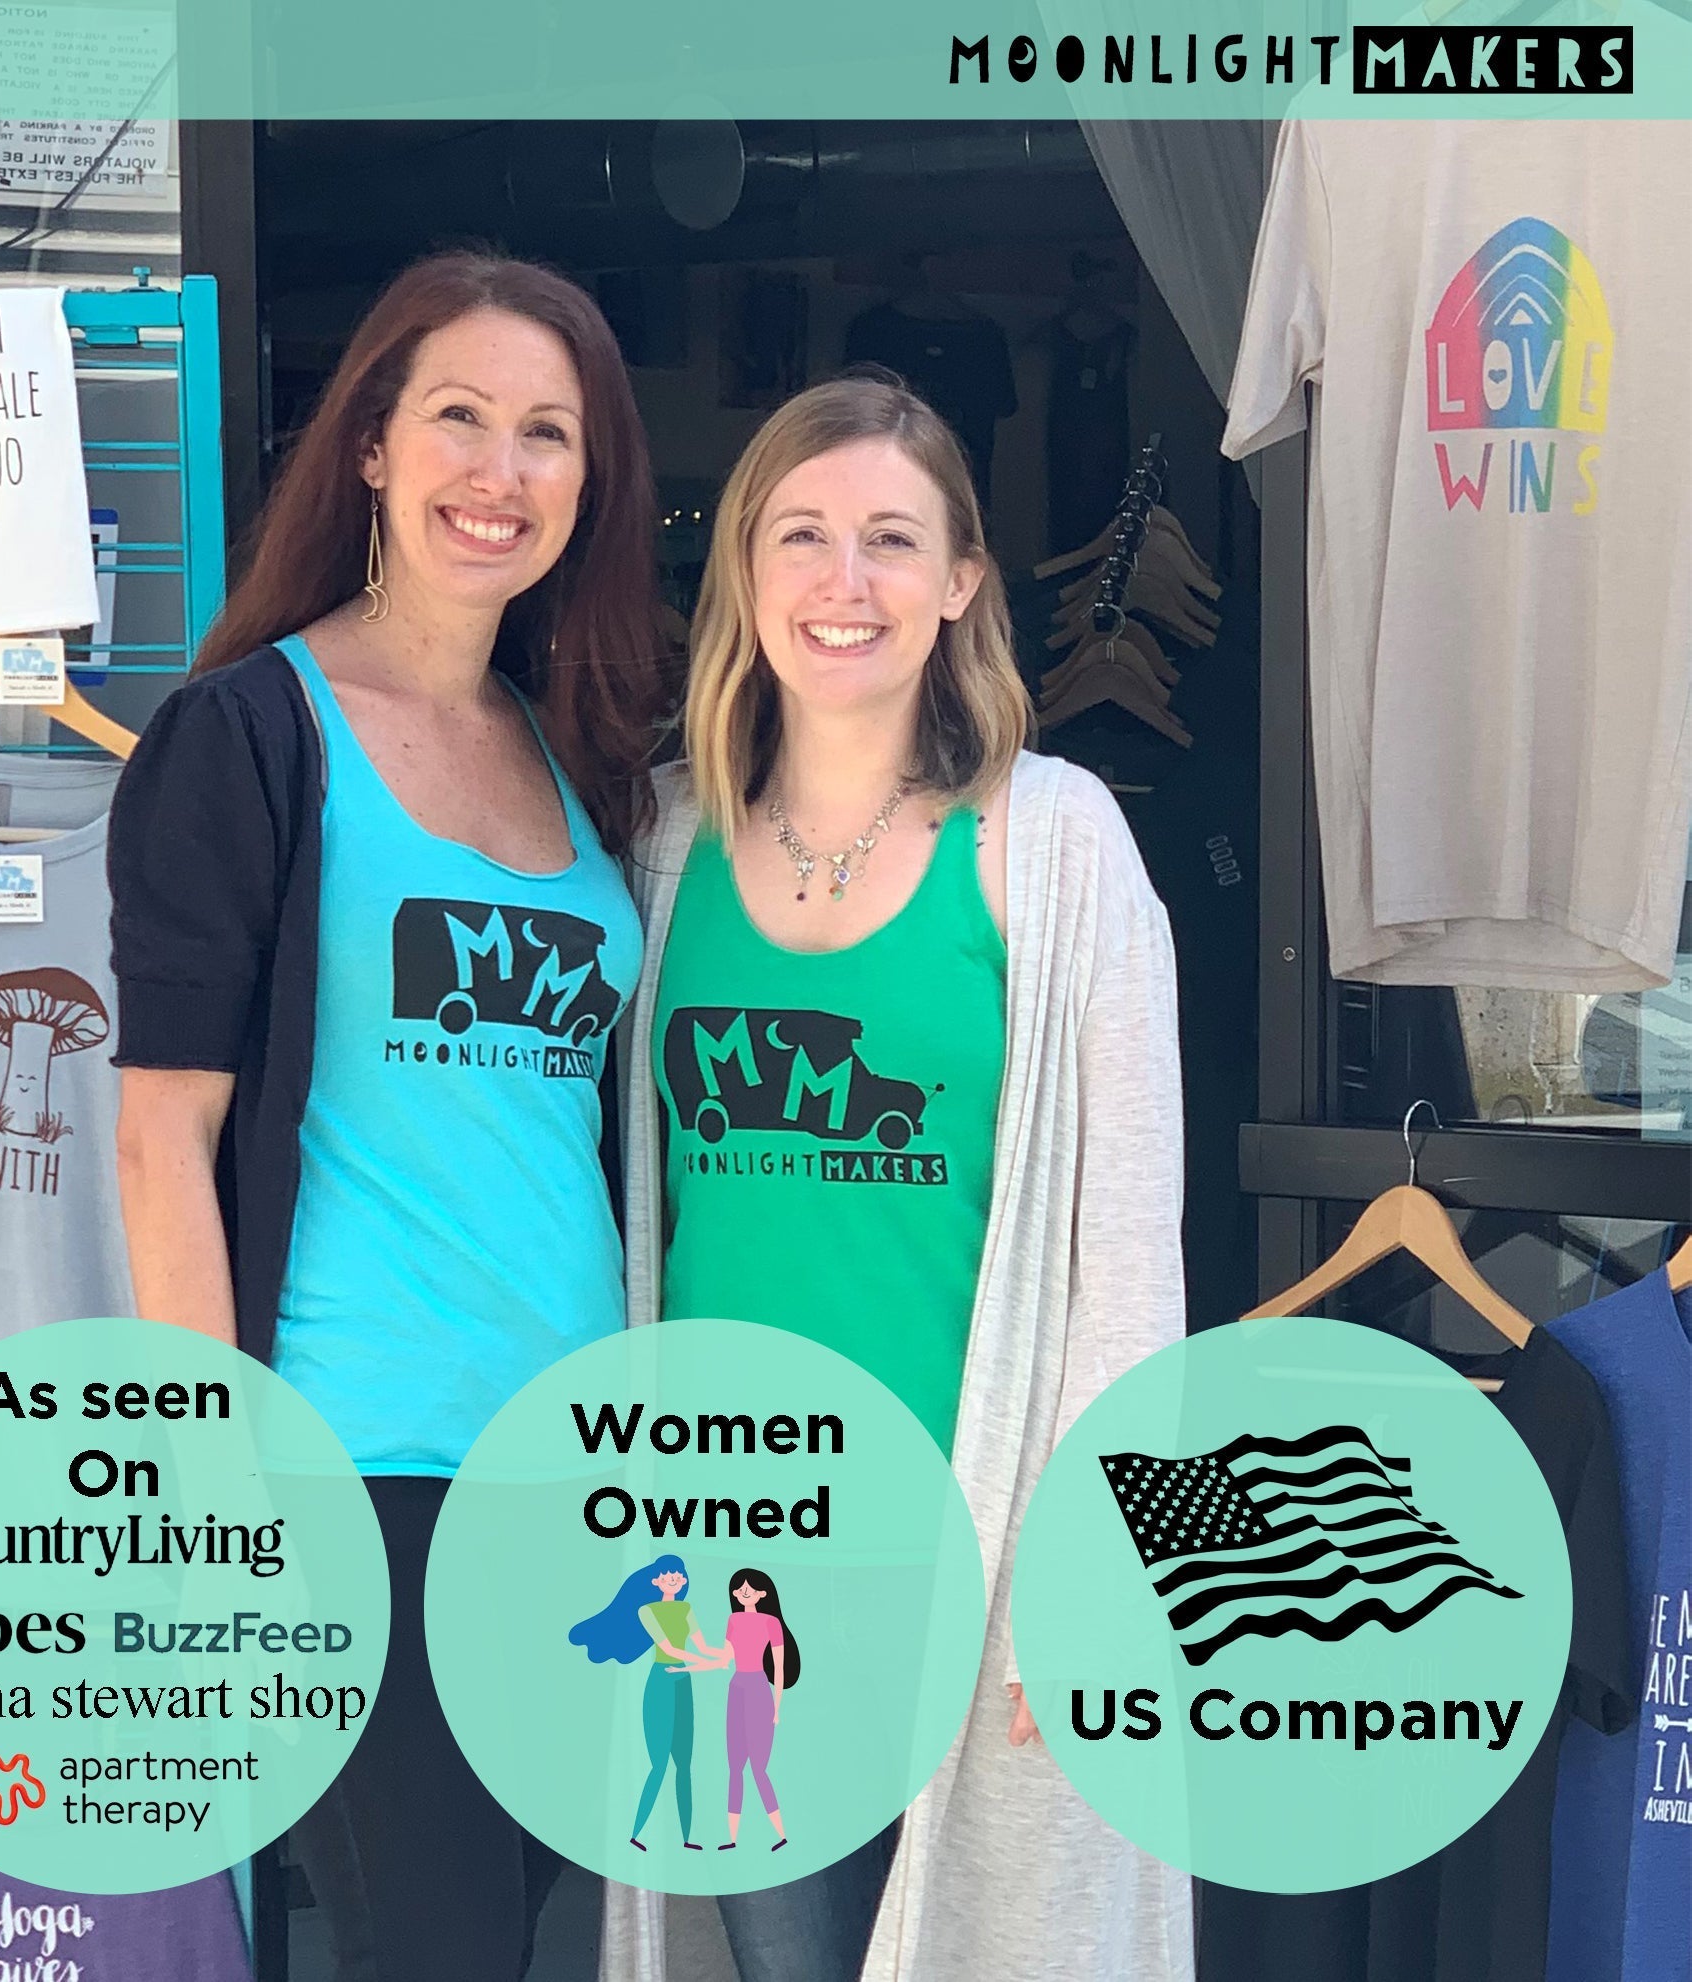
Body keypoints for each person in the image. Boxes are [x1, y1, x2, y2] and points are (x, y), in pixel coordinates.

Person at [106, 250, 668, 1982]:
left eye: (545, 435)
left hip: (570, 1468)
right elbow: (158, 1145)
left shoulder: (583, 754)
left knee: (536, 1943)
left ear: (588, 484)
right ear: (369, 445)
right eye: (458, 419)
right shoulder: (242, 737)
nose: (497, 475)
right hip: (357, 1463)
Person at [606, 372, 1193, 1982]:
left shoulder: (1054, 842)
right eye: (799, 534)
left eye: (887, 538)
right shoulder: (662, 845)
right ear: (741, 573)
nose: (841, 581)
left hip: (973, 1543)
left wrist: (1096, 1558)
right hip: (729, 1554)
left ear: (959, 585)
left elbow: (1129, 1245)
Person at [569, 1555, 725, 1851]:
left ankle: (686, 1838)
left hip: (683, 1681)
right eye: (669, 1576)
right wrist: (709, 1661)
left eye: (679, 1576)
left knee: (684, 1764)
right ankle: (637, 1834)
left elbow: (701, 1644)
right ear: (655, 1581)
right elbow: (667, 1647)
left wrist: (721, 1653)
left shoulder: (687, 1609)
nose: (675, 1580)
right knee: (657, 1764)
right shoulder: (647, 1611)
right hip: (662, 1681)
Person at [703, 1568, 798, 1852]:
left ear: (762, 1593)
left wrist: (778, 1706)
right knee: (734, 1767)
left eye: (750, 1587)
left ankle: (779, 1833)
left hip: (759, 1689)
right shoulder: (733, 1620)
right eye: (739, 1587)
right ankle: (732, 1839)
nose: (743, 1591)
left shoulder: (771, 1623)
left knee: (760, 1769)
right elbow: (724, 1658)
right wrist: (690, 1659)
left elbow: (779, 1667)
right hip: (737, 1688)